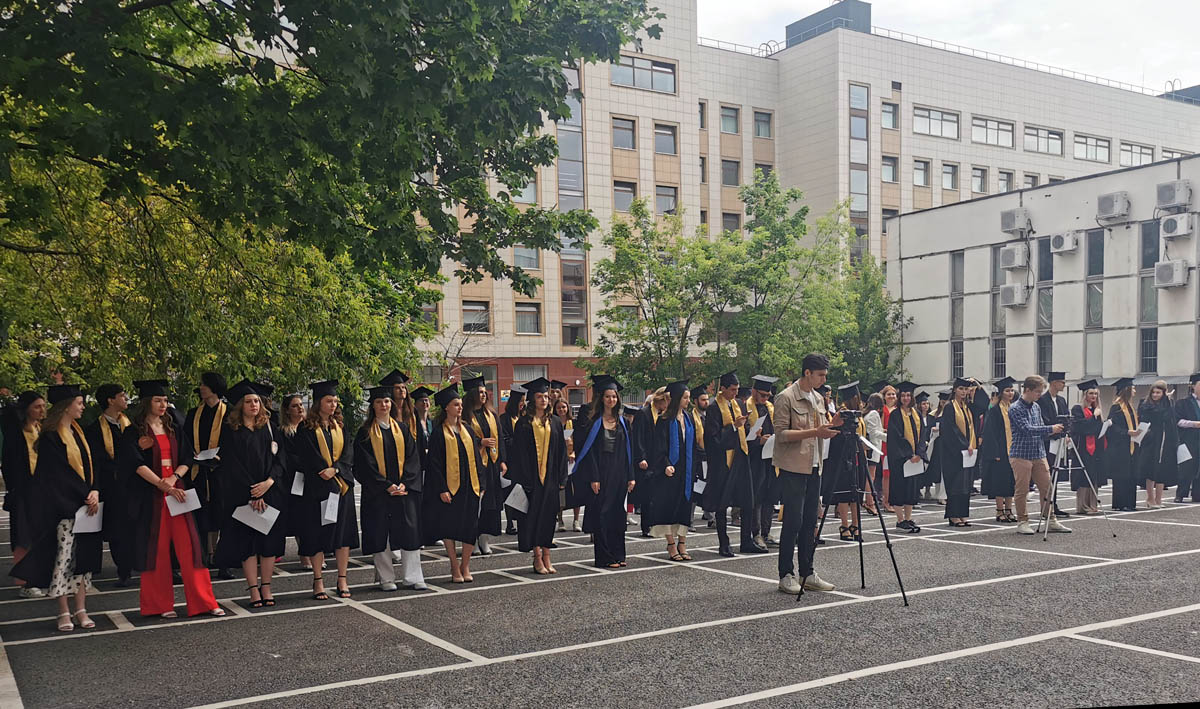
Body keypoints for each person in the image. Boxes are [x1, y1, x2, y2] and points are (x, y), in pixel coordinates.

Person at [118, 380, 223, 618]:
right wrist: (161, 484)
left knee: (191, 547)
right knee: (156, 550)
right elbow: (134, 463)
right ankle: (159, 605)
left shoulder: (174, 427)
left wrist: (174, 479)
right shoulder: (134, 431)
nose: (163, 404)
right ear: (147, 403)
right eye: (158, 400)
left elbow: (187, 457)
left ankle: (204, 602)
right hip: (152, 496)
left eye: (165, 400)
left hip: (178, 492)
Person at [10, 385, 105, 631]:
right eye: (79, 403)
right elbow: (57, 476)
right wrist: (85, 495)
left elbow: (93, 465)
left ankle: (81, 609)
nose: (82, 407)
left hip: (86, 507)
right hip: (63, 508)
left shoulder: (79, 432)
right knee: (63, 560)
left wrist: (95, 490)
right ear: (66, 406)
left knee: (82, 562)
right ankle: (63, 611)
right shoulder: (51, 437)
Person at [213, 379, 285, 608]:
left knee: (269, 543)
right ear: (239, 406)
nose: (254, 405)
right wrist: (254, 492)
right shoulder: (231, 431)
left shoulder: (269, 427)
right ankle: (253, 589)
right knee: (248, 544)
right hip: (243, 495)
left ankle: (267, 587)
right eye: (248, 401)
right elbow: (231, 465)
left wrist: (269, 482)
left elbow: (280, 459)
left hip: (270, 492)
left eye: (256, 401)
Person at [772, 355, 840, 594]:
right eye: (820, 375)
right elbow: (781, 434)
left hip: (814, 466)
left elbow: (821, 429)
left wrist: (835, 424)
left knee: (811, 522)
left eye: (825, 375)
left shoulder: (818, 398)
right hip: (793, 467)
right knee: (793, 521)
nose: (823, 380)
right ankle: (786, 574)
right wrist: (815, 432)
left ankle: (807, 572)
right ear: (807, 372)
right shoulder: (786, 397)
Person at [354, 385, 425, 591]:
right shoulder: (365, 433)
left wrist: (405, 483)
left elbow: (413, 459)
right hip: (378, 494)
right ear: (373, 406)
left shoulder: (402, 429)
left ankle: (413, 576)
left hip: (404, 491)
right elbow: (364, 465)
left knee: (410, 533)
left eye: (386, 401)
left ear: (391, 404)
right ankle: (386, 578)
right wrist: (386, 485)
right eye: (379, 402)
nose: (383, 405)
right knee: (380, 534)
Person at [289, 382, 356, 597]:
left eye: (335, 401)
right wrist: (323, 470)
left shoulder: (340, 427)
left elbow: (348, 453)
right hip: (317, 489)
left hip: (341, 487)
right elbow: (306, 456)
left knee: (342, 536)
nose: (333, 404)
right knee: (317, 535)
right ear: (318, 403)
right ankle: (318, 580)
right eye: (329, 401)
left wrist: (335, 469)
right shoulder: (306, 428)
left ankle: (342, 579)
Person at [507, 378, 570, 574]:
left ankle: (547, 556)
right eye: (539, 396)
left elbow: (561, 452)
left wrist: (562, 478)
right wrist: (524, 479)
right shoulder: (524, 423)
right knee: (533, 518)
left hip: (551, 478)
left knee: (549, 518)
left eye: (545, 396)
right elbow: (518, 454)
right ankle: (537, 557)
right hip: (531, 480)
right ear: (532, 400)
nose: (543, 400)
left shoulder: (555, 422)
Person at [425, 384, 487, 583]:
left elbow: (477, 459)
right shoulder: (438, 433)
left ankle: (465, 565)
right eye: (455, 404)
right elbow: (434, 465)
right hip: (450, 489)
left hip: (471, 486)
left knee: (470, 527)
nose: (460, 408)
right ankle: (454, 565)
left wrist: (482, 484)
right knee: (449, 527)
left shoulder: (467, 430)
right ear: (446, 408)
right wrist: (442, 489)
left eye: (460, 404)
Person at [574, 376, 634, 568]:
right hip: (601, 472)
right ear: (601, 398)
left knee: (618, 514)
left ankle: (618, 554)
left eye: (614, 396)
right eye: (608, 396)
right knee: (602, 514)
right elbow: (589, 452)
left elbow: (629, 451)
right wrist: (594, 477)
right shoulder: (594, 422)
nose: (611, 400)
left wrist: (631, 476)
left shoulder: (623, 422)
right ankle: (604, 557)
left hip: (619, 472)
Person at [82, 384, 134, 585]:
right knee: (117, 530)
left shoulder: (131, 424)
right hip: (112, 487)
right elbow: (97, 460)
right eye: (121, 395)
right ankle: (124, 570)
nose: (126, 398)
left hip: (134, 485)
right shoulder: (95, 429)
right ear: (110, 400)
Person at [1008, 375, 1071, 535]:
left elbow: (1040, 428)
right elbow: (1026, 429)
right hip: (1021, 454)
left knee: (1047, 487)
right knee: (1022, 489)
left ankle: (1050, 518)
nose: (1039, 395)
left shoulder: (1036, 407)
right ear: (1027, 390)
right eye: (1037, 391)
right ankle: (1022, 521)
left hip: (1039, 453)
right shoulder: (1015, 408)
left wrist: (1056, 432)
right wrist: (1050, 428)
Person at [645, 381, 698, 562]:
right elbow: (658, 447)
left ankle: (682, 543)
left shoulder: (689, 418)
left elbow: (693, 445)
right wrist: (665, 464)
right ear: (676, 399)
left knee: (684, 506)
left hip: (686, 470)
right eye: (685, 398)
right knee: (668, 507)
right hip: (670, 471)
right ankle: (671, 544)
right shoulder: (664, 420)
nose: (688, 401)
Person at [183, 372, 229, 578]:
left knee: (224, 517)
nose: (201, 387)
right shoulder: (194, 414)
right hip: (198, 472)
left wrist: (221, 456)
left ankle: (224, 562)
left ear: (214, 388)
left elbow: (234, 441)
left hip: (222, 473)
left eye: (204, 385)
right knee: (200, 517)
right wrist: (193, 454)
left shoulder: (229, 413)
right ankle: (202, 559)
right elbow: (186, 439)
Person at [2, 391, 47, 598]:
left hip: (43, 491)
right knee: (23, 537)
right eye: (37, 406)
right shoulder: (16, 433)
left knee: (41, 535)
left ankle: (40, 577)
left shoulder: (42, 429)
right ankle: (26, 582)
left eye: (43, 406)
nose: (42, 410)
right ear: (26, 408)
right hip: (23, 492)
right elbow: (9, 464)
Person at [704, 372, 750, 557]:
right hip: (723, 462)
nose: (735, 393)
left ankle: (746, 540)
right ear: (722, 389)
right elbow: (713, 438)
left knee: (747, 499)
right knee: (722, 503)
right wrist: (733, 427)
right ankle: (723, 543)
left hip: (741, 456)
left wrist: (752, 431)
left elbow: (743, 429)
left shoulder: (738, 404)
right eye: (732, 390)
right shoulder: (714, 408)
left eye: (737, 389)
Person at [462, 374, 506, 555]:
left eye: (484, 392)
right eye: (480, 392)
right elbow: (464, 438)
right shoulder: (465, 415)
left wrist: (503, 460)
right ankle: (471, 540)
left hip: (492, 465)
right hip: (475, 465)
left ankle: (484, 538)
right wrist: (480, 442)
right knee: (475, 504)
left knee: (490, 505)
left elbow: (500, 438)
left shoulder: (491, 414)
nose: (483, 395)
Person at [822, 382, 868, 541]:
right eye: (857, 397)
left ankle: (856, 525)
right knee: (844, 493)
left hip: (857, 456)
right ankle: (844, 525)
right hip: (843, 458)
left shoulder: (857, 414)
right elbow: (836, 435)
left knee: (856, 493)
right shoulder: (841, 414)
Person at [885, 382, 924, 533]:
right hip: (900, 460)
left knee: (911, 490)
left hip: (915, 459)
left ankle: (908, 518)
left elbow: (923, 435)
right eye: (903, 395)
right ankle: (900, 519)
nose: (906, 398)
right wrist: (909, 454)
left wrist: (919, 453)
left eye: (908, 395)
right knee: (899, 488)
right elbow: (896, 438)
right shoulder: (895, 415)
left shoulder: (917, 414)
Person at [745, 375, 778, 552]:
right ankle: (756, 533)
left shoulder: (769, 408)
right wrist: (759, 441)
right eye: (763, 395)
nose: (766, 398)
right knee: (757, 497)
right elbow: (744, 435)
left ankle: (767, 532)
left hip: (771, 457)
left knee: (770, 495)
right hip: (755, 458)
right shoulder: (746, 408)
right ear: (754, 392)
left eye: (768, 396)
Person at [940, 378, 978, 527]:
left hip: (967, 452)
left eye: (966, 389)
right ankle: (953, 516)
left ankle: (962, 514)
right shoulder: (950, 407)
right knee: (955, 485)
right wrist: (964, 445)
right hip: (953, 453)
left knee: (965, 486)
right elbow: (950, 430)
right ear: (955, 389)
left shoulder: (967, 407)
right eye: (961, 388)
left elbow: (983, 406)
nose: (963, 391)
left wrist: (977, 385)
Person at [979, 377, 1017, 524]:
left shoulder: (1014, 408)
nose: (1010, 393)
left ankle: (1009, 510)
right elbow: (990, 433)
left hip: (1014, 451)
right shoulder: (995, 410)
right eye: (1007, 390)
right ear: (1001, 393)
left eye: (1012, 390)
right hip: (1000, 451)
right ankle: (999, 511)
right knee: (1000, 482)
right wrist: (994, 452)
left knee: (1011, 482)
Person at [1137, 380, 1179, 509]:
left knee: (1162, 469)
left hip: (1165, 440)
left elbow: (1170, 418)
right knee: (1151, 469)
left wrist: (1168, 402)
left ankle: (1159, 499)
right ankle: (1150, 498)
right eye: (1154, 392)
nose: (1155, 395)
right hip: (1151, 441)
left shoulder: (1168, 404)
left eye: (1158, 392)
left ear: (1163, 393)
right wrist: (1167, 401)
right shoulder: (1145, 404)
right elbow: (1158, 416)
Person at [631, 388, 666, 538]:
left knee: (657, 495)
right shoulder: (643, 413)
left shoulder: (663, 415)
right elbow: (637, 437)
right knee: (648, 496)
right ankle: (647, 526)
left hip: (659, 459)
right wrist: (641, 457)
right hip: (647, 460)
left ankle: (657, 524)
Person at [1037, 371, 1072, 518]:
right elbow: (1044, 420)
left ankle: (1054, 504)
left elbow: (1066, 418)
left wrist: (1066, 432)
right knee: (1048, 474)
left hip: (1060, 441)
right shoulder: (1042, 400)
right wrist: (1054, 430)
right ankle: (1047, 505)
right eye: (1061, 382)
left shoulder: (1061, 400)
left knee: (1056, 472)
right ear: (1053, 383)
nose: (1063, 384)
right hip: (1048, 441)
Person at [1070, 380, 1107, 515]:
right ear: (1085, 394)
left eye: (1096, 394)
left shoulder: (1096, 409)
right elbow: (1081, 428)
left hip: (1096, 449)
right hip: (1083, 449)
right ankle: (1083, 506)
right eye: (1091, 393)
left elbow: (1097, 428)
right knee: (1084, 476)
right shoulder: (1077, 409)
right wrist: (1094, 417)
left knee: (1094, 476)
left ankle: (1093, 505)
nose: (1094, 396)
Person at [1107, 378, 1141, 511]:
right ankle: (1120, 503)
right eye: (1133, 388)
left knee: (1131, 474)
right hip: (1120, 447)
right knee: (1122, 475)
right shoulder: (1116, 407)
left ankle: (1130, 503)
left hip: (1132, 446)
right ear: (1127, 390)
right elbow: (1112, 427)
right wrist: (1127, 432)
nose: (1135, 390)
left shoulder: (1131, 407)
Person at [553, 398, 582, 532]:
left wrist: (574, 452)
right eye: (559, 408)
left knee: (575, 491)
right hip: (558, 462)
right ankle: (560, 520)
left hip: (572, 462)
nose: (561, 410)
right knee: (561, 492)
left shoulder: (574, 423)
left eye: (564, 407)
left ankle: (576, 520)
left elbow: (580, 441)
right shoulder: (552, 423)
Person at [499, 386, 525, 535]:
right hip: (511, 461)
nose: (522, 404)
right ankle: (509, 523)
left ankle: (521, 520)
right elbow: (504, 439)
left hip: (523, 462)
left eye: (524, 401)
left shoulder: (525, 417)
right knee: (510, 492)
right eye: (520, 401)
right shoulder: (504, 419)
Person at [689, 384, 711, 532]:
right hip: (696, 458)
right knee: (695, 490)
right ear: (695, 401)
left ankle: (710, 516)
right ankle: (689, 520)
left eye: (707, 399)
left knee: (709, 487)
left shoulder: (710, 416)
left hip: (709, 457)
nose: (706, 402)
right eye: (703, 400)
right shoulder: (691, 417)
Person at [1175, 373, 1200, 503]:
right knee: (1186, 468)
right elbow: (1178, 421)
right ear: (1193, 386)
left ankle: (1197, 494)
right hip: (1189, 440)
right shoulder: (1183, 403)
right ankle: (1180, 494)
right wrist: (1194, 424)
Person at [861, 392, 885, 516]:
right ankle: (870, 502)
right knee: (871, 477)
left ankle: (868, 500)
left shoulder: (866, 413)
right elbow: (874, 432)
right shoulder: (874, 413)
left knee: (869, 476)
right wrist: (888, 437)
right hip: (873, 448)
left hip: (870, 448)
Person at [878, 384, 897, 513]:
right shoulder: (883, 410)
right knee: (887, 475)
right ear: (884, 396)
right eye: (889, 394)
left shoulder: (897, 409)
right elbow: (880, 428)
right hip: (886, 444)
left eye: (893, 394)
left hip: (896, 444)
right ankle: (886, 501)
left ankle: (894, 499)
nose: (891, 396)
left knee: (895, 474)